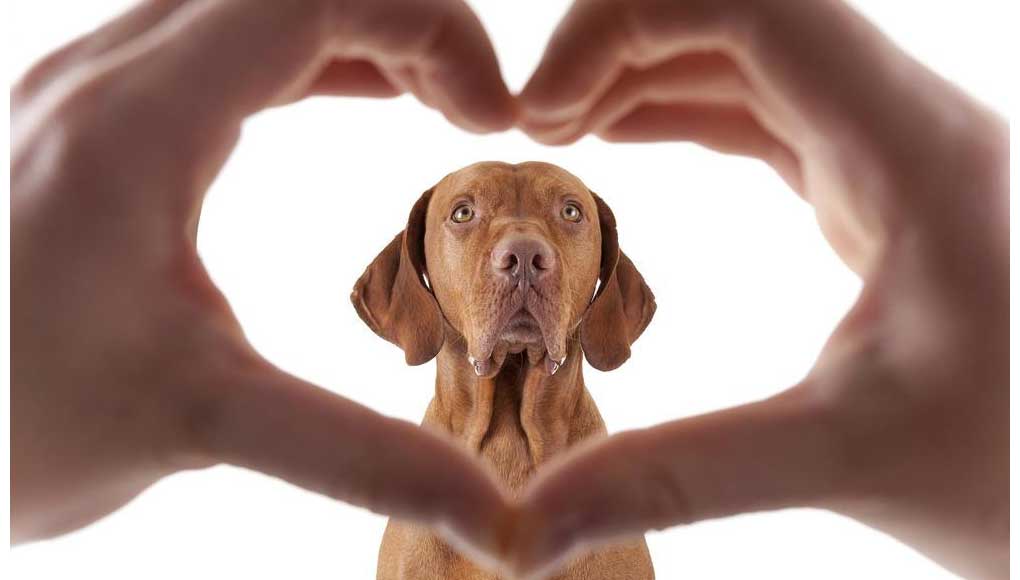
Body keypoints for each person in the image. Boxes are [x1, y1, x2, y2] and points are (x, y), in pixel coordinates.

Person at [10, 0, 1007, 579]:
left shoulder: (625, 547)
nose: (519, 249)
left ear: (602, 286)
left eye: (565, 222)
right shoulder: (405, 547)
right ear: (418, 284)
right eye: (467, 218)